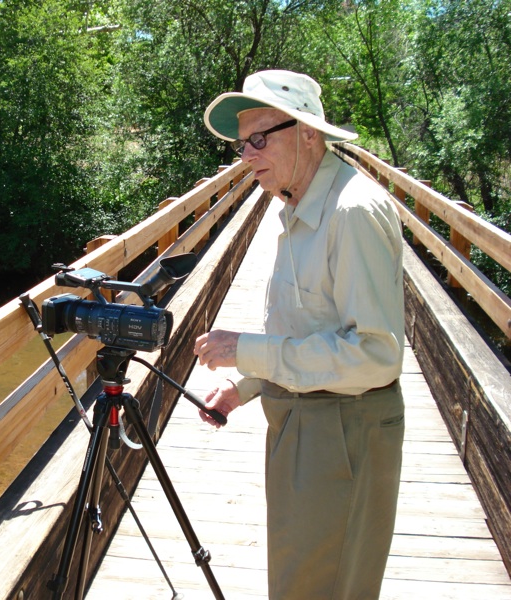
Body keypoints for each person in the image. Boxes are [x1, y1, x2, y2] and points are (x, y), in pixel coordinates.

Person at [194, 70, 406, 599]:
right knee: (299, 581)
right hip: (302, 423)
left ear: (309, 133)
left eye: (260, 139)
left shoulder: (352, 212)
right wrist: (246, 385)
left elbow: (376, 356)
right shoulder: (294, 201)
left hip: (341, 431)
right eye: (243, 144)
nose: (246, 154)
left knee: (323, 586)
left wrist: (246, 350)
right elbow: (305, 325)